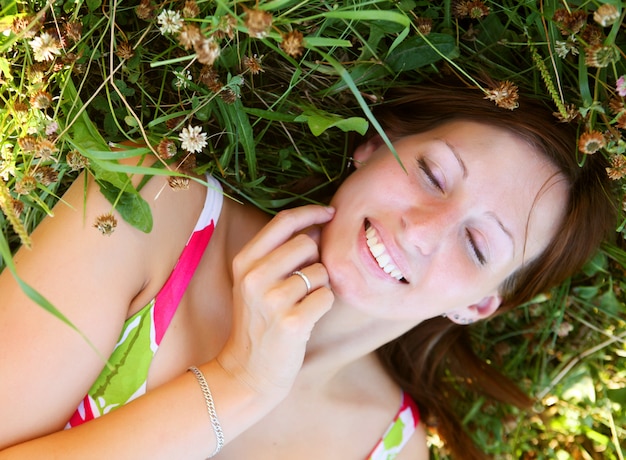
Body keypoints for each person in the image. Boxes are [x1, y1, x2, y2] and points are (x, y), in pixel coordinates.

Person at [0, 82, 615, 460]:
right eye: (432, 174)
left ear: (479, 305)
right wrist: (240, 382)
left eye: (479, 246)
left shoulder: (391, 451)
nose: (422, 229)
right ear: (375, 145)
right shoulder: (150, 203)